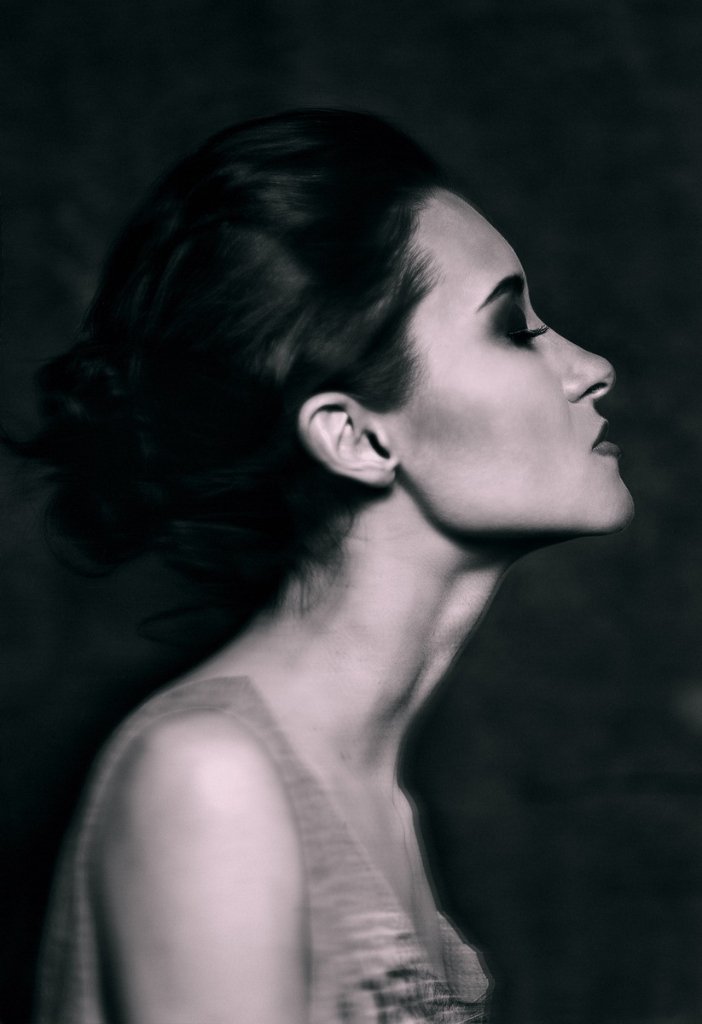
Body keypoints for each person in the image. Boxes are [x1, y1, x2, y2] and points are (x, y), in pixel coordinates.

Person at [24, 108, 633, 1024]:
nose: (593, 367)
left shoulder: (380, 805)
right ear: (356, 437)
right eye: (515, 329)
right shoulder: (212, 781)